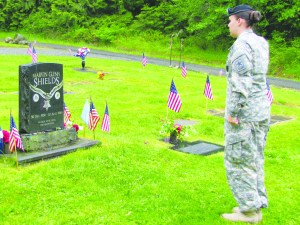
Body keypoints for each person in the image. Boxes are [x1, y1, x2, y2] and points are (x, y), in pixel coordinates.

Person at [222, 4, 270, 223]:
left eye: (230, 20)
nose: (229, 24)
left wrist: (232, 112)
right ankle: (255, 203)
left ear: (240, 21)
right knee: (255, 158)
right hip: (260, 111)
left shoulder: (242, 45)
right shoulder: (260, 42)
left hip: (245, 114)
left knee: (238, 160)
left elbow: (240, 82)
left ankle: (249, 211)